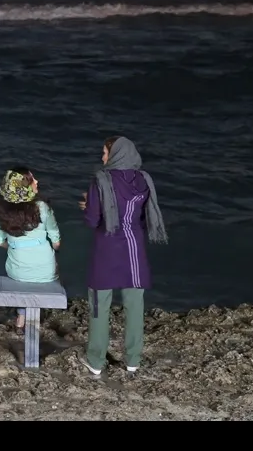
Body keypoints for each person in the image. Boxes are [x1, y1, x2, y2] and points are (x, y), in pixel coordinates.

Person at [77, 135, 168, 376]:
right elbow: (144, 217)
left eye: (105, 153)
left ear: (115, 154)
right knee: (135, 307)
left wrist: (87, 206)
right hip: (134, 250)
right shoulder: (144, 180)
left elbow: (93, 220)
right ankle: (133, 360)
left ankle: (96, 362)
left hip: (106, 250)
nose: (102, 158)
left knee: (99, 307)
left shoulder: (101, 180)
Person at [0, 167, 61, 333]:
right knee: (50, 269)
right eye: (32, 180)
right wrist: (52, 248)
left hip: (16, 271)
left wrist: (15, 247)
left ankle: (21, 317)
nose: (36, 181)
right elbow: (56, 241)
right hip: (45, 270)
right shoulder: (42, 207)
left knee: (22, 277)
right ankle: (32, 320)